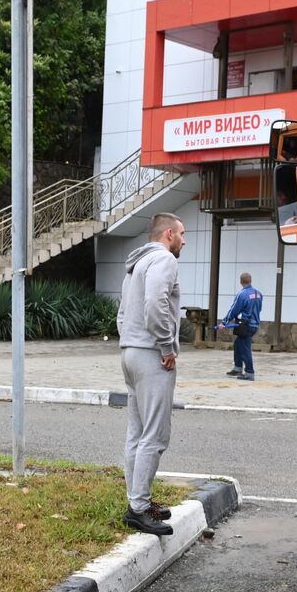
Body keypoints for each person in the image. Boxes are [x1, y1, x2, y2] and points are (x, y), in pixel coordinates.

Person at [116, 212, 185, 538]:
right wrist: (166, 347)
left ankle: (137, 500)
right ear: (168, 234)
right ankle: (138, 508)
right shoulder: (164, 261)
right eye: (182, 234)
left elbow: (122, 314)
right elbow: (156, 303)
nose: (184, 241)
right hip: (151, 356)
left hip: (130, 352)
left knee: (137, 432)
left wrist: (131, 340)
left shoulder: (136, 265)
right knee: (155, 435)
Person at [222, 272, 264, 381]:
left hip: (245, 325)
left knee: (245, 348)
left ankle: (249, 373)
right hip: (254, 324)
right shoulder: (259, 294)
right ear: (250, 280)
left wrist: (224, 322)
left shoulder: (242, 294)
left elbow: (234, 309)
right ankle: (237, 367)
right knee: (238, 344)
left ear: (241, 282)